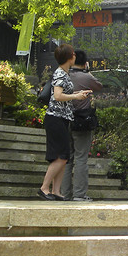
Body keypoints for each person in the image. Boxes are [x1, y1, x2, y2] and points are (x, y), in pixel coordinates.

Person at [38, 44, 93, 201]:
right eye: (73, 53)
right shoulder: (61, 73)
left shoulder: (64, 73)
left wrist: (78, 93)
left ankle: (56, 190)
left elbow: (64, 93)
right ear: (70, 57)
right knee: (61, 156)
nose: (75, 55)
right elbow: (58, 96)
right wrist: (76, 97)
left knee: (63, 156)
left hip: (62, 118)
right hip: (56, 118)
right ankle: (44, 188)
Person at [61, 49, 103, 202]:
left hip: (64, 121)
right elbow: (99, 86)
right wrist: (88, 71)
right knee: (81, 158)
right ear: (85, 62)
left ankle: (64, 194)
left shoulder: (63, 76)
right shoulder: (86, 77)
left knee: (67, 159)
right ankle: (79, 195)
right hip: (82, 121)